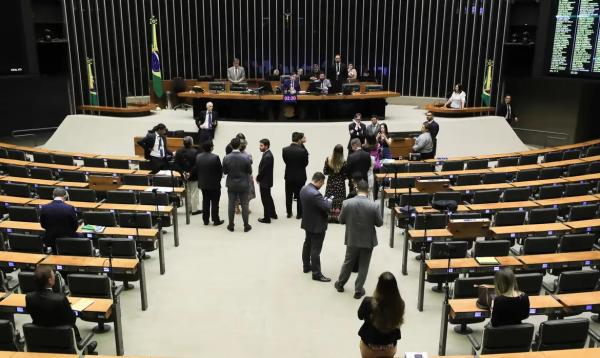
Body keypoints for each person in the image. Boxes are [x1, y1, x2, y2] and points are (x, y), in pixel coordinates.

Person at [26, 265, 98, 354]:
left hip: (42, 342)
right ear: (49, 280)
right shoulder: (60, 299)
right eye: (53, 275)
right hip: (64, 342)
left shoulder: (29, 297)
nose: (54, 277)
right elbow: (71, 320)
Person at [334, 180, 383, 298]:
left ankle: (340, 284)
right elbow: (379, 223)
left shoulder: (346, 203)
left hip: (352, 239)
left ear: (356, 189)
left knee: (348, 262)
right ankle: (358, 290)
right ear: (369, 190)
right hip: (368, 240)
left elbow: (340, 221)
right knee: (364, 266)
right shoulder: (374, 205)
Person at [356, 272, 405, 358]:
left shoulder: (368, 302)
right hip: (390, 348)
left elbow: (360, 316)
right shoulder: (400, 304)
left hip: (370, 347)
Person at [299, 172, 333, 282]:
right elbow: (327, 207)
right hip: (317, 225)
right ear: (319, 181)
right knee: (315, 249)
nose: (322, 185)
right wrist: (329, 201)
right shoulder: (316, 194)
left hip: (307, 222)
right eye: (322, 183)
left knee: (307, 244)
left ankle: (306, 266)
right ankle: (316, 274)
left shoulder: (303, 189)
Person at [222, 137, 252, 232]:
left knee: (231, 204)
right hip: (244, 184)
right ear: (240, 145)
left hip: (231, 184)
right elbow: (249, 171)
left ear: (231, 145)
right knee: (244, 205)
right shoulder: (246, 157)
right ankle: (246, 225)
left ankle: (231, 225)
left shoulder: (226, 157)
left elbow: (225, 172)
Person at [39, 188, 77, 252]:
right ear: (65, 196)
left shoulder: (44, 208)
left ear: (53, 196)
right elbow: (75, 226)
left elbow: (43, 225)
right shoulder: (69, 208)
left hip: (50, 238)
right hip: (68, 238)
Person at [196, 140, 224, 226]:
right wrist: (218, 180)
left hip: (203, 183)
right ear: (211, 147)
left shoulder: (198, 157)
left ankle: (205, 220)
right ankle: (216, 220)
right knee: (215, 203)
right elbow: (220, 171)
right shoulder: (215, 157)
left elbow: (197, 169)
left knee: (205, 201)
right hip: (214, 184)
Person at [282, 132, 309, 219]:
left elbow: (286, 161)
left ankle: (289, 213)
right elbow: (306, 163)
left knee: (288, 195)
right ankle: (299, 214)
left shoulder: (285, 150)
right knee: (300, 196)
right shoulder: (303, 151)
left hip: (289, 175)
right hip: (300, 176)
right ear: (299, 140)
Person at [174, 136, 201, 215]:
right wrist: (190, 173)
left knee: (187, 192)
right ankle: (194, 210)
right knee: (194, 192)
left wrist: (183, 172)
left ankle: (189, 209)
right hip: (193, 175)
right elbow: (196, 165)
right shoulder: (196, 152)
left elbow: (176, 164)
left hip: (183, 175)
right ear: (191, 143)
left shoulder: (178, 152)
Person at [323, 144, 347, 221]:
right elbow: (345, 175)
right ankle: (338, 217)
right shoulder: (344, 162)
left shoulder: (328, 160)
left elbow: (325, 172)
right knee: (339, 199)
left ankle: (329, 217)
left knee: (330, 198)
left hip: (331, 182)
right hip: (340, 183)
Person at [257, 139, 277, 223]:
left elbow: (263, 170)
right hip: (266, 181)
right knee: (268, 197)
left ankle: (267, 218)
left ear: (266, 146)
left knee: (265, 200)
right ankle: (273, 214)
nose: (260, 147)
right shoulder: (267, 154)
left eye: (261, 145)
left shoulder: (268, 156)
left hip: (265, 182)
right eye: (260, 145)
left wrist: (258, 178)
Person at [239, 139, 256, 211]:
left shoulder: (233, 154)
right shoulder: (248, 155)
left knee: (239, 192)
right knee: (247, 192)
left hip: (239, 176)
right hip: (246, 176)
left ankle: (238, 208)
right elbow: (250, 164)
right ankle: (245, 208)